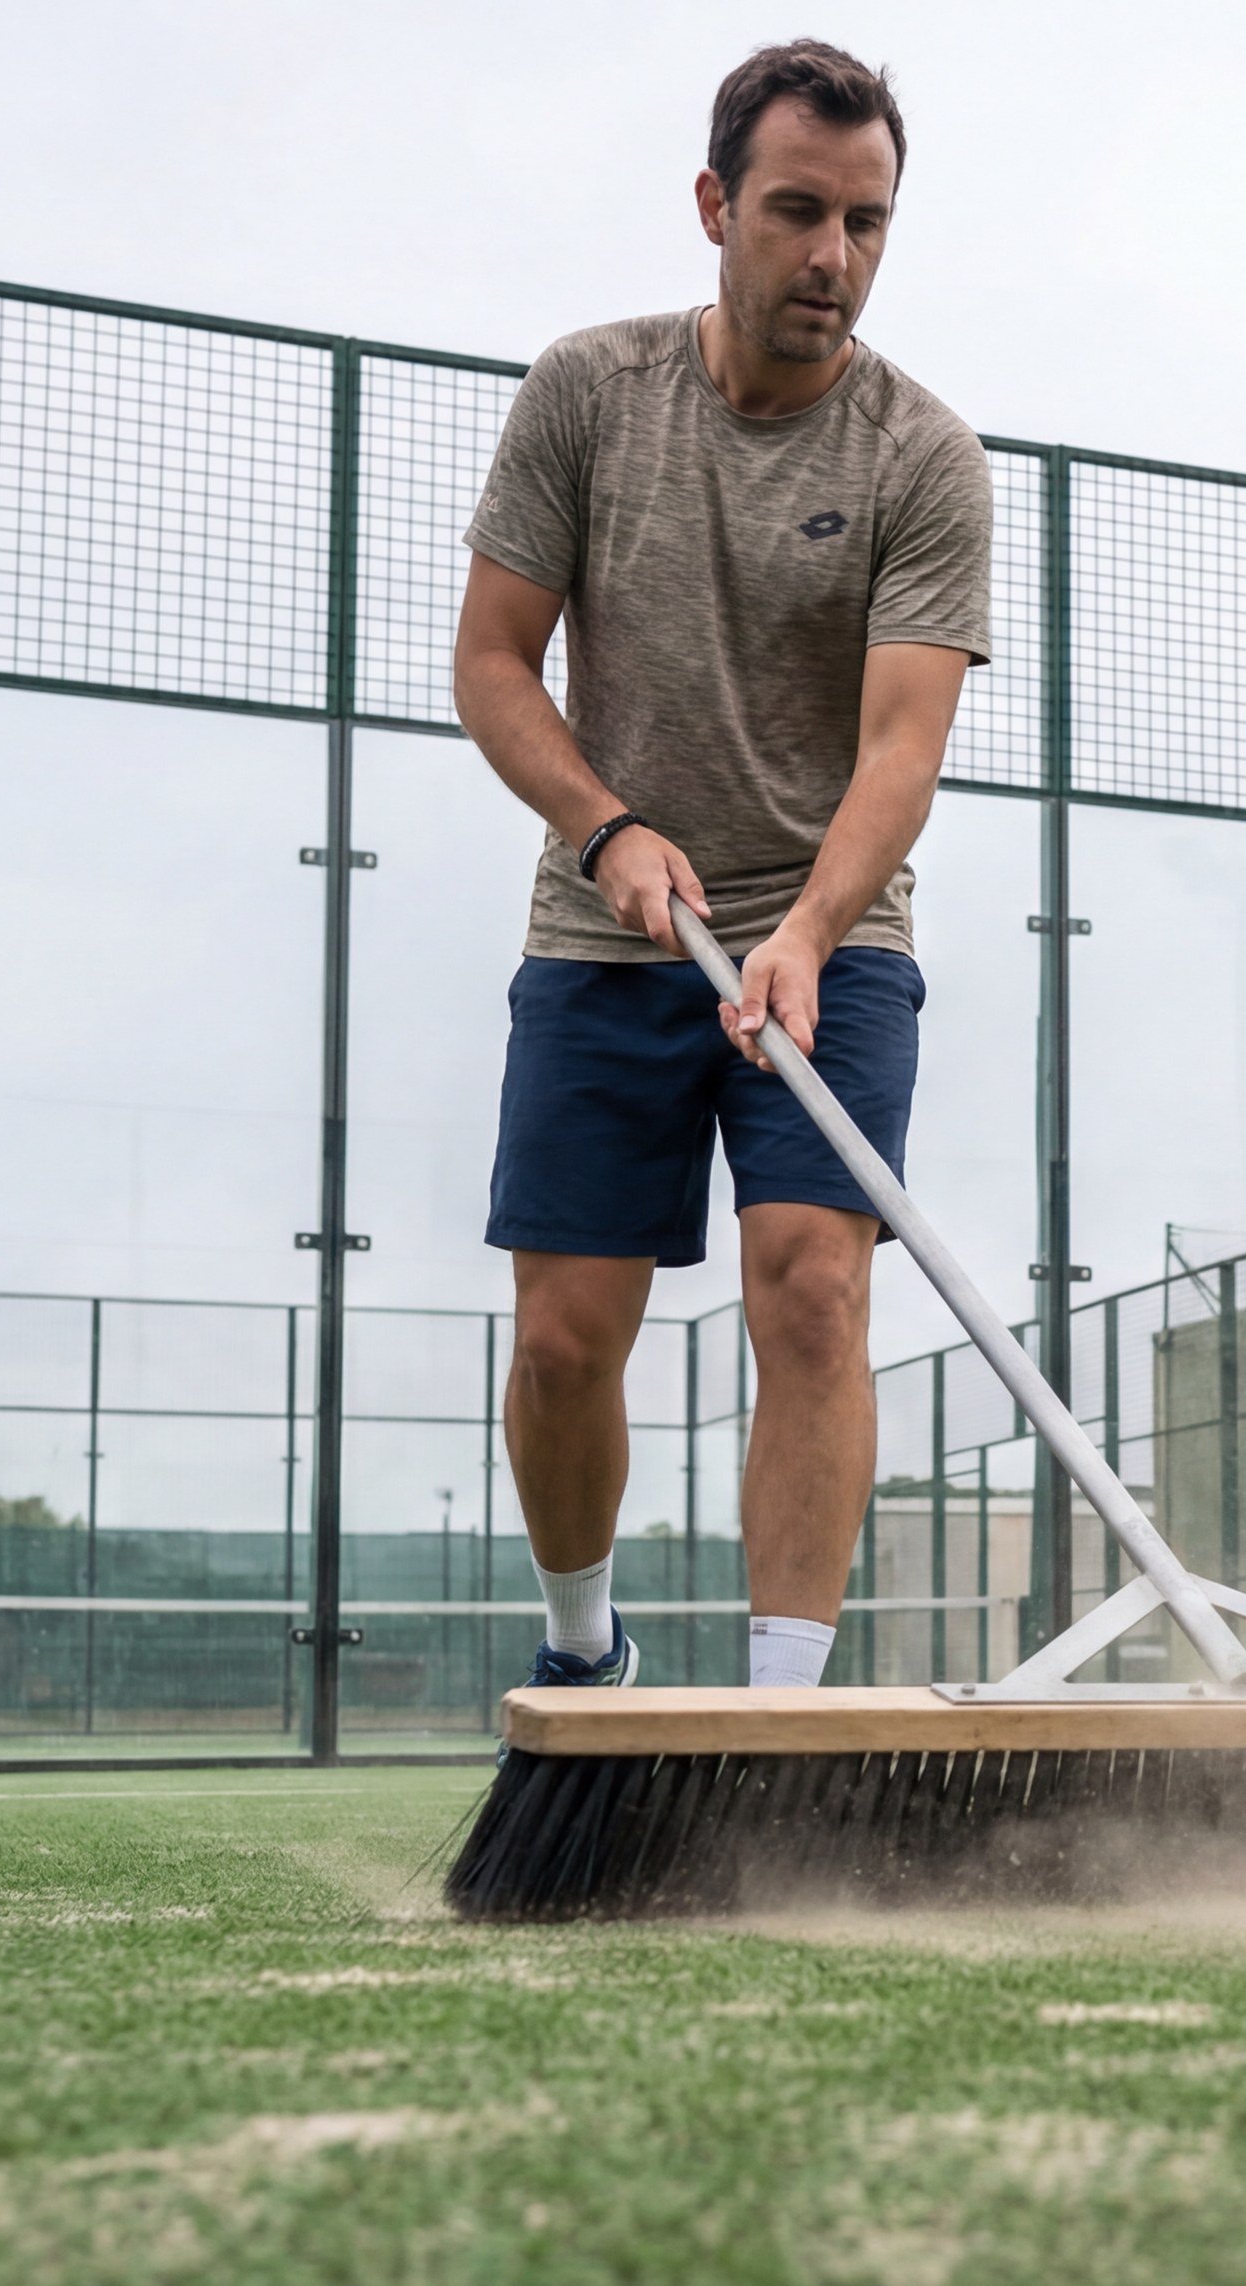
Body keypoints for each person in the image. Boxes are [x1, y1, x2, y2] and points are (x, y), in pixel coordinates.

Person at [453, 38, 990, 1696]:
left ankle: (777, 1728)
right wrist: (606, 828)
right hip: (608, 923)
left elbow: (902, 748)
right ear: (714, 204)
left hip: (835, 934)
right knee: (565, 1338)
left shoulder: (924, 456)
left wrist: (811, 929)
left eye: (867, 222)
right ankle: (584, 1652)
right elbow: (491, 662)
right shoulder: (588, 393)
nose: (835, 255)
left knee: (814, 1291)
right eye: (798, 211)